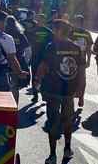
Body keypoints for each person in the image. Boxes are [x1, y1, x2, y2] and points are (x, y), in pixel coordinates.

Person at [33, 19, 85, 164]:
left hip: (53, 90)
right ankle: (67, 149)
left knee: (53, 122)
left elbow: (43, 66)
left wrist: (37, 79)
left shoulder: (51, 46)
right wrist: (80, 89)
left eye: (54, 29)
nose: (53, 31)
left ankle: (52, 155)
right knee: (68, 121)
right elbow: (81, 71)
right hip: (69, 92)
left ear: (59, 31)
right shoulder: (76, 48)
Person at [5, 16, 32, 104]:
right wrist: (25, 62)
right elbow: (28, 50)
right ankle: (14, 106)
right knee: (14, 87)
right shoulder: (20, 35)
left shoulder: (3, 33)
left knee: (3, 87)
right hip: (17, 63)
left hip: (3, 64)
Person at [27, 14, 53, 103]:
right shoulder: (33, 31)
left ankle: (43, 94)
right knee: (35, 76)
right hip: (35, 57)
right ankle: (35, 95)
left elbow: (53, 45)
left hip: (45, 58)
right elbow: (29, 46)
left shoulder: (49, 32)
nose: (39, 22)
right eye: (39, 20)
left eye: (41, 20)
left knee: (44, 77)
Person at [68, 15, 93, 107]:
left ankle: (71, 97)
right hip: (82, 59)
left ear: (75, 23)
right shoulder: (87, 34)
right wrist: (89, 60)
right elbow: (89, 48)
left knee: (70, 78)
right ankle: (81, 95)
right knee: (82, 79)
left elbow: (66, 44)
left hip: (72, 60)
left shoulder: (71, 33)